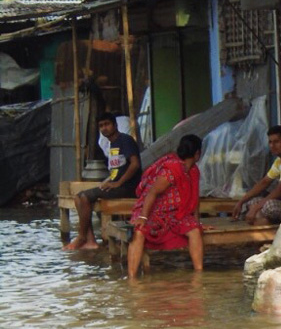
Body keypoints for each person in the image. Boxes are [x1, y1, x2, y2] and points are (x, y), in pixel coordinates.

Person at [127, 134, 205, 278]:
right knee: (139, 232)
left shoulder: (194, 171)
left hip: (176, 213)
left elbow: (194, 199)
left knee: (194, 231)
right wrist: (143, 217)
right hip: (152, 211)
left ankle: (198, 275)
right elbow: (152, 193)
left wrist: (197, 222)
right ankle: (132, 279)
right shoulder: (171, 170)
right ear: (197, 154)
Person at [65, 111, 141, 250]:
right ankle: (90, 241)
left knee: (85, 196)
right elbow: (117, 170)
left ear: (115, 125)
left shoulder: (125, 140)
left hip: (128, 187)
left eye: (107, 124)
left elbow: (135, 164)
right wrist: (110, 181)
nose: (104, 128)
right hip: (116, 185)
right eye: (101, 126)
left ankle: (81, 237)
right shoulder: (111, 145)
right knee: (77, 198)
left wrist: (118, 183)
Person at [231, 125, 281, 225]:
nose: (272, 145)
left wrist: (256, 208)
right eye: (270, 142)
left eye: (276, 142)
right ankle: (263, 221)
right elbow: (264, 182)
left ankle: (264, 221)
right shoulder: (279, 160)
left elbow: (280, 189)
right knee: (252, 202)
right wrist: (241, 201)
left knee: (268, 205)